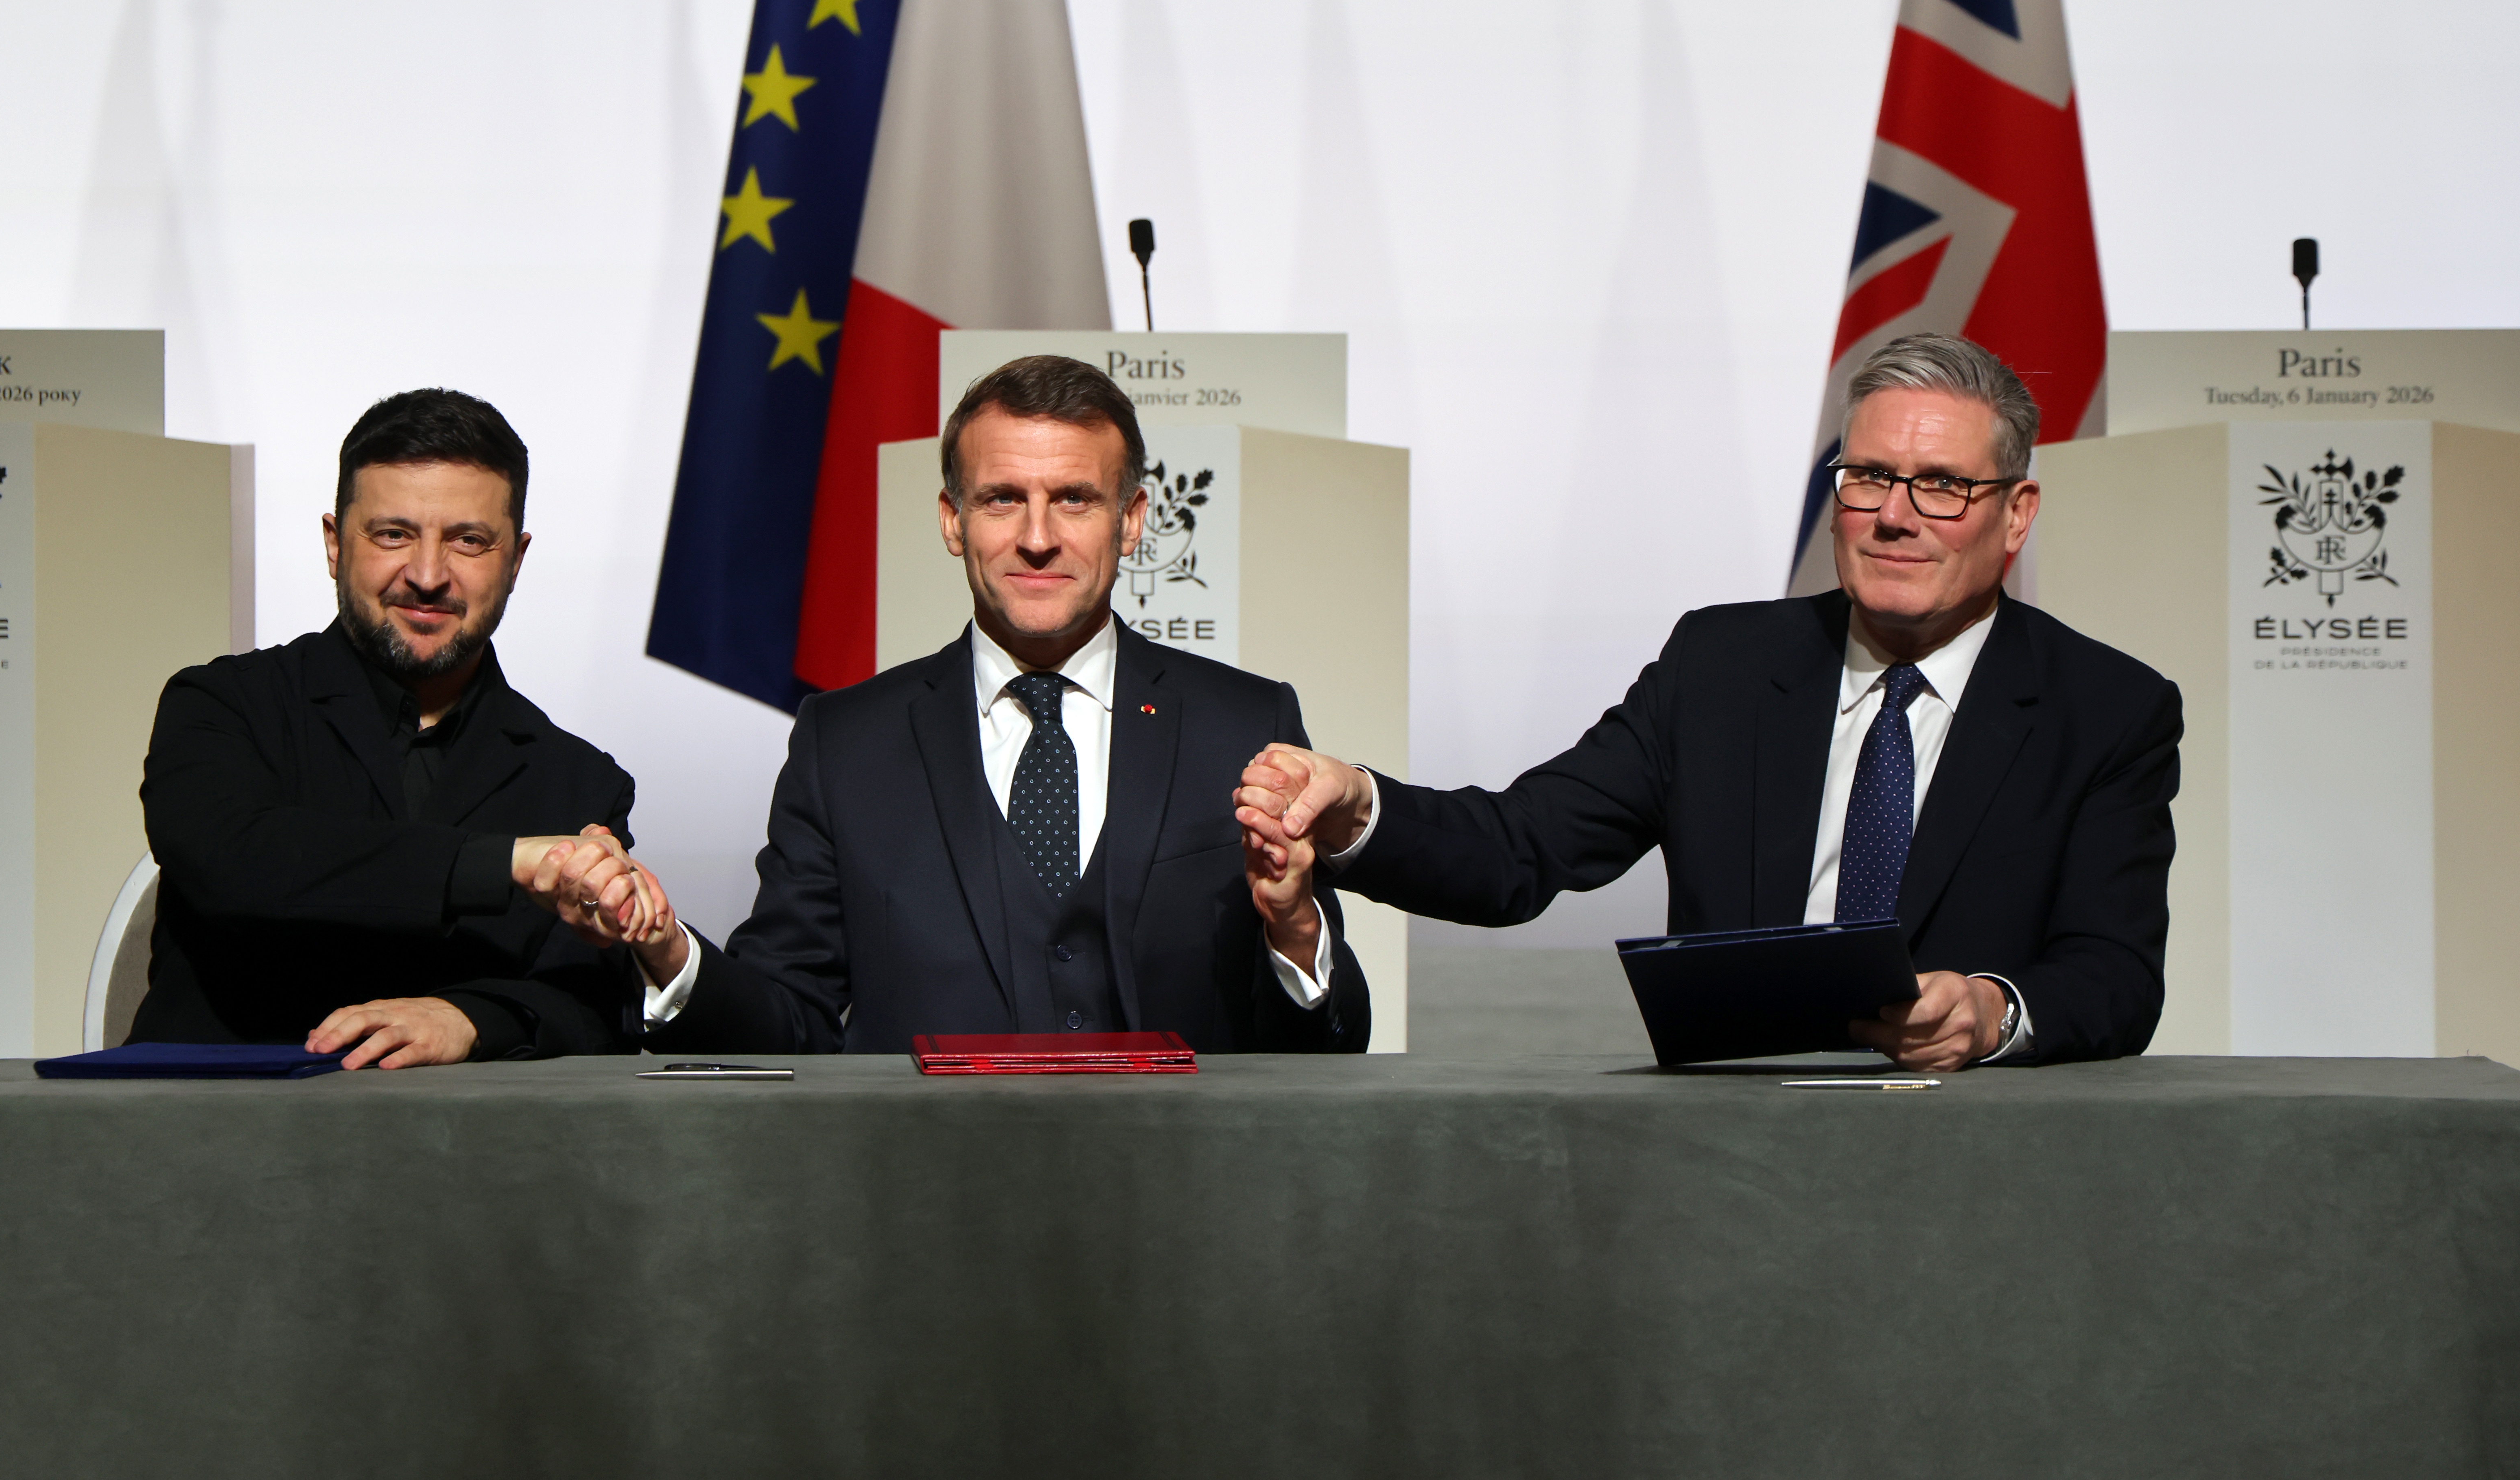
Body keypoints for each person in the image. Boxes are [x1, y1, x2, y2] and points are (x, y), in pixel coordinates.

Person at [1235, 332, 2180, 1069]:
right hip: (1729, 1157)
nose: (1895, 515)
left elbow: (2116, 978)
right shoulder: (1722, 665)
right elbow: (1521, 849)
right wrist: (1360, 804)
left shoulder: (2105, 709)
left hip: (1973, 1154)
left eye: (1941, 486)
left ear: (2017, 514)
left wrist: (1995, 1011)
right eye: (1869, 479)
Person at [572, 355, 1371, 1054]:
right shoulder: (843, 743)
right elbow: (792, 1021)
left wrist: (1297, 932)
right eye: (1001, 499)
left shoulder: (1246, 725)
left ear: (1132, 521)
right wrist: (670, 953)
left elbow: (1325, 1047)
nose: (1037, 536)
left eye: (1074, 499)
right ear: (953, 521)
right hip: (921, 1209)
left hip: (1186, 1207)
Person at [132, 388, 638, 1068]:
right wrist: (500, 863)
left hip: (470, 1160)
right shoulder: (220, 706)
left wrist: (470, 1019)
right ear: (335, 544)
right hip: (213, 1142)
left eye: (468, 541)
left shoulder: (581, 784)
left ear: (515, 562)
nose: (428, 576)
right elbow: (239, 863)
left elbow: (596, 1001)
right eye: (393, 534)